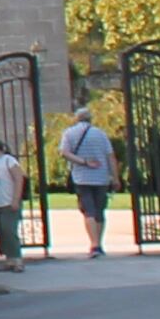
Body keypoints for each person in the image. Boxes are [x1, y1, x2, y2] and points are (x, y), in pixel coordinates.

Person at [63, 110, 118, 257]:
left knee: (88, 211)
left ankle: (93, 244)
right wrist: (115, 177)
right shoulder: (101, 134)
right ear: (91, 119)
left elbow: (64, 152)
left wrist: (83, 162)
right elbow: (110, 156)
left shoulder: (69, 133)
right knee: (100, 211)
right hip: (101, 177)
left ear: (77, 118)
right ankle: (99, 243)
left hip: (82, 177)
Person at [0, 141, 27, 267]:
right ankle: (9, 259)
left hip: (8, 202)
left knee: (9, 230)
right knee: (1, 232)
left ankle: (16, 259)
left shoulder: (9, 160)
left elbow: (19, 178)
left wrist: (15, 199)